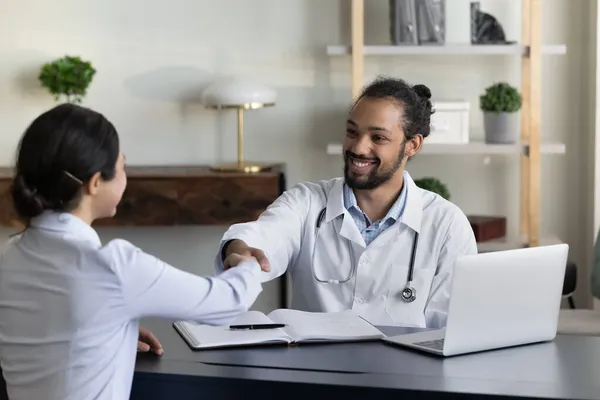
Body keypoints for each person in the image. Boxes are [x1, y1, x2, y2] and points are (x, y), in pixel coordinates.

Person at [0, 103, 264, 400]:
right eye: (123, 165)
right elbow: (228, 301)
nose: (126, 174)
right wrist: (247, 264)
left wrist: (104, 327)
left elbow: (39, 330)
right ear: (95, 183)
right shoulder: (113, 267)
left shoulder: (7, 255)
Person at [215, 76, 477, 329]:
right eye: (353, 132)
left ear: (412, 145)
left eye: (378, 137)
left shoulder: (447, 225)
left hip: (406, 373)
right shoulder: (306, 202)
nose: (359, 148)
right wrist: (239, 250)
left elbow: (450, 330)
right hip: (315, 371)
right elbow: (261, 237)